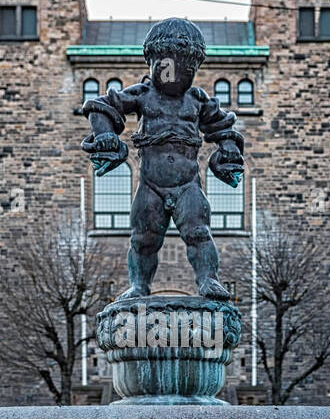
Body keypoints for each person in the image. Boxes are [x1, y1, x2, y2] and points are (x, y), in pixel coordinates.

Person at [80, 17, 244, 299]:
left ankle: (208, 279)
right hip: (151, 186)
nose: (175, 74)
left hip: (187, 184)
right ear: (154, 63)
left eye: (185, 67)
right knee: (143, 240)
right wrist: (105, 134)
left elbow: (224, 126)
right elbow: (99, 107)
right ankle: (139, 285)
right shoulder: (143, 95)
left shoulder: (197, 100)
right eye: (168, 65)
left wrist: (228, 147)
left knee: (198, 233)